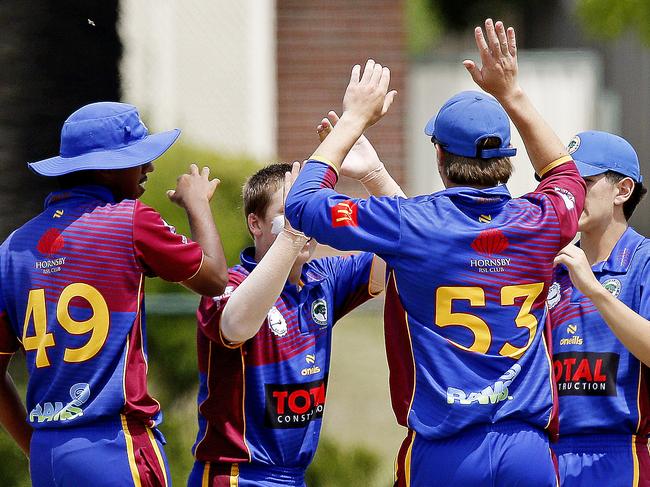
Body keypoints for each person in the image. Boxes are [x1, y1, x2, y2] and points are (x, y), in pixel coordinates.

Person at [285, 19, 586, 486]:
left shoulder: (412, 222)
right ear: (506, 159)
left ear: (440, 158)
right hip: (526, 450)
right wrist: (511, 94)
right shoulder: (541, 221)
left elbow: (303, 205)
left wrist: (352, 121)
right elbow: (563, 175)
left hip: (445, 452)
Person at [0, 101, 228, 487]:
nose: (149, 169)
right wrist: (197, 205)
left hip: (48, 456)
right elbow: (215, 279)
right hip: (115, 446)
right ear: (105, 166)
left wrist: (38, 446)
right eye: (138, 159)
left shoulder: (12, 248)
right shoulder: (130, 220)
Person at [187, 118, 405, 487]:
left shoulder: (325, 278)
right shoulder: (231, 286)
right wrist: (291, 234)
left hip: (294, 477)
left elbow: (405, 243)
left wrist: (374, 176)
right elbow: (236, 325)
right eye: (290, 214)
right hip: (237, 475)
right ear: (255, 224)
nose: (304, 226)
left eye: (310, 214)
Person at [548, 131, 650, 486]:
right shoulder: (550, 268)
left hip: (620, 455)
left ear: (622, 190)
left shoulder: (644, 261)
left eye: (584, 184)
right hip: (548, 453)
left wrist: (593, 289)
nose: (570, 197)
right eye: (565, 185)